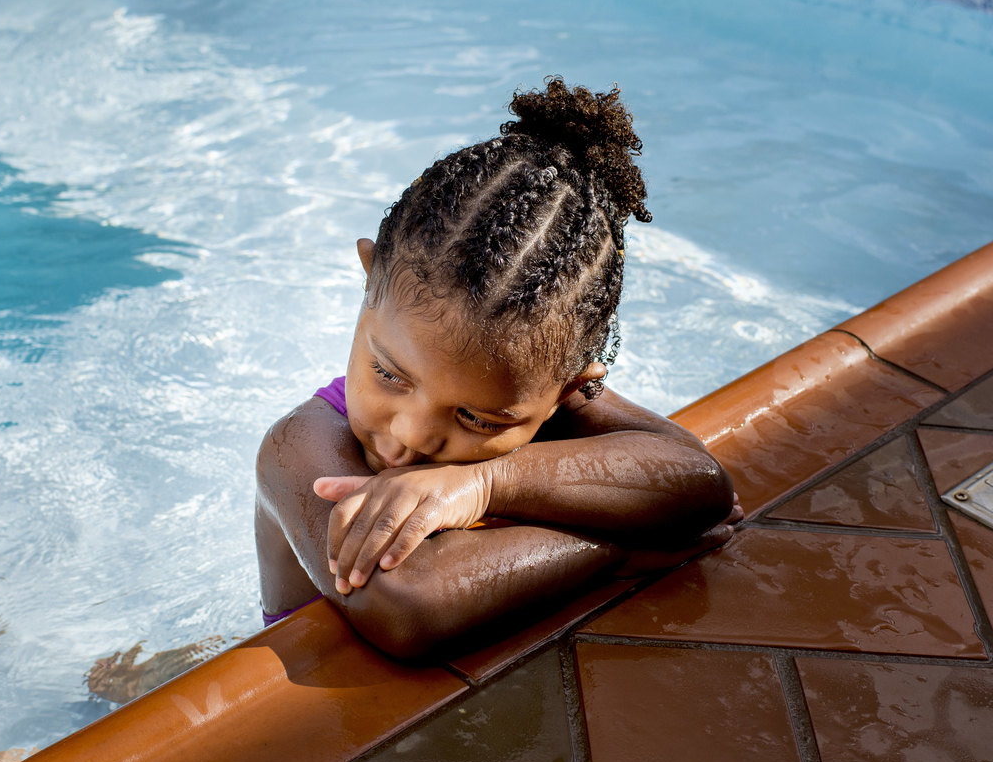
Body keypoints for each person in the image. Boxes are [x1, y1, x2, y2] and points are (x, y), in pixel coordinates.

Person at [255, 77, 739, 660]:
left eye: (477, 420)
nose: (411, 436)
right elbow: (410, 606)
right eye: (390, 375)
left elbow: (700, 482)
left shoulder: (533, 386)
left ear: (569, 389)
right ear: (367, 279)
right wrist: (626, 551)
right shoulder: (301, 447)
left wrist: (487, 481)